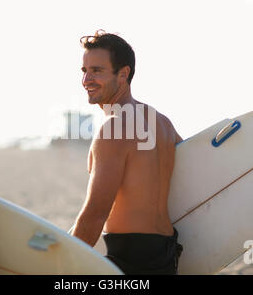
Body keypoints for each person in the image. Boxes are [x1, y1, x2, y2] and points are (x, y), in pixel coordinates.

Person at [71, 30, 183, 275]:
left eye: (97, 71)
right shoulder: (162, 122)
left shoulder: (114, 128)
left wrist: (56, 263)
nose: (86, 79)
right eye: (84, 71)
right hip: (167, 257)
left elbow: (95, 215)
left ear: (123, 74)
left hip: (131, 259)